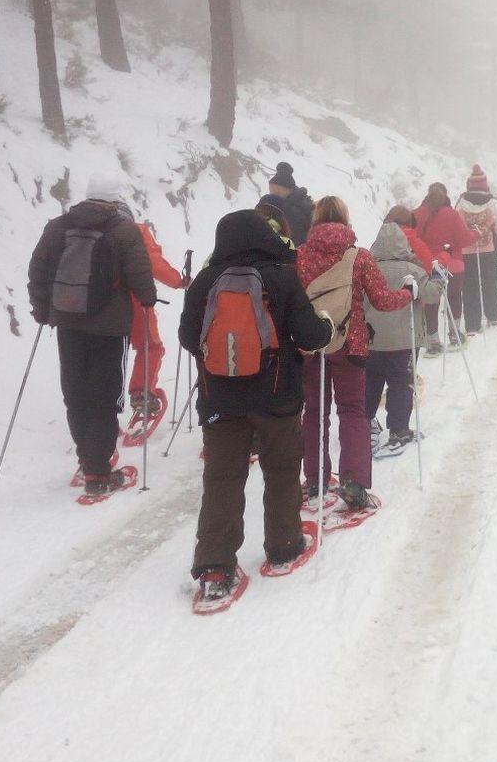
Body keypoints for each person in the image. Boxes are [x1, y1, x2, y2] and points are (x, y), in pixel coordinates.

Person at [180, 210, 333, 604]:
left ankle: (215, 567)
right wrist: (328, 326)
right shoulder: (281, 276)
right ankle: (284, 546)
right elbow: (310, 334)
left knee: (221, 479)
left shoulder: (206, 280)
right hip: (276, 397)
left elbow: (187, 337)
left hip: (219, 399)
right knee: (281, 470)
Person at [27, 174, 156, 497]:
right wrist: (148, 298)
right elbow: (139, 272)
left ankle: (87, 458)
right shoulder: (123, 230)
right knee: (104, 396)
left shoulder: (57, 227)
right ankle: (98, 474)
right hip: (109, 327)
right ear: (114, 200)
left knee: (76, 393)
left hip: (67, 322)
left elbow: (38, 269)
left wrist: (42, 309)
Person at [296, 196, 416, 511]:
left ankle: (316, 482)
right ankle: (354, 482)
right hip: (351, 345)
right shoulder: (359, 257)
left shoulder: (300, 257)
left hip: (311, 347)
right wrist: (407, 293)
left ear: (316, 221)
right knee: (352, 411)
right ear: (346, 221)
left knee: (314, 414)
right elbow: (382, 300)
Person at [364, 220, 427, 451]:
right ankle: (399, 429)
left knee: (370, 383)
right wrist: (440, 281)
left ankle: (364, 424)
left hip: (372, 341)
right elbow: (431, 294)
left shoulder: (367, 269)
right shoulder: (413, 270)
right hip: (404, 341)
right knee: (401, 383)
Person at [127, 220, 185, 424]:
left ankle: (96, 403)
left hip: (93, 304)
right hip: (135, 298)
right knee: (150, 347)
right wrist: (178, 281)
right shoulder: (135, 230)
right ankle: (141, 395)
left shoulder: (80, 228)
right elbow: (153, 262)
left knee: (106, 352)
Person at [413, 182, 477, 354]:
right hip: (452, 264)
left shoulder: (416, 214)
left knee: (431, 302)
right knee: (454, 298)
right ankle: (455, 336)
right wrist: (476, 233)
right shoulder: (452, 214)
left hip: (428, 266)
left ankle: (433, 343)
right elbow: (464, 240)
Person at [456, 165, 497, 331]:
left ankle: (472, 324)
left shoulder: (461, 203)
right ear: (485, 185)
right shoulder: (493, 203)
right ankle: (494, 316)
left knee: (469, 286)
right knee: (490, 283)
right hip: (490, 250)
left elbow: (456, 227)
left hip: (466, 250)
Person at [268, 162, 314, 246]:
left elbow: (293, 243)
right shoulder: (297, 202)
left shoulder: (293, 212)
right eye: (271, 191)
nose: (271, 196)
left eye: (275, 192)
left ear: (286, 190)